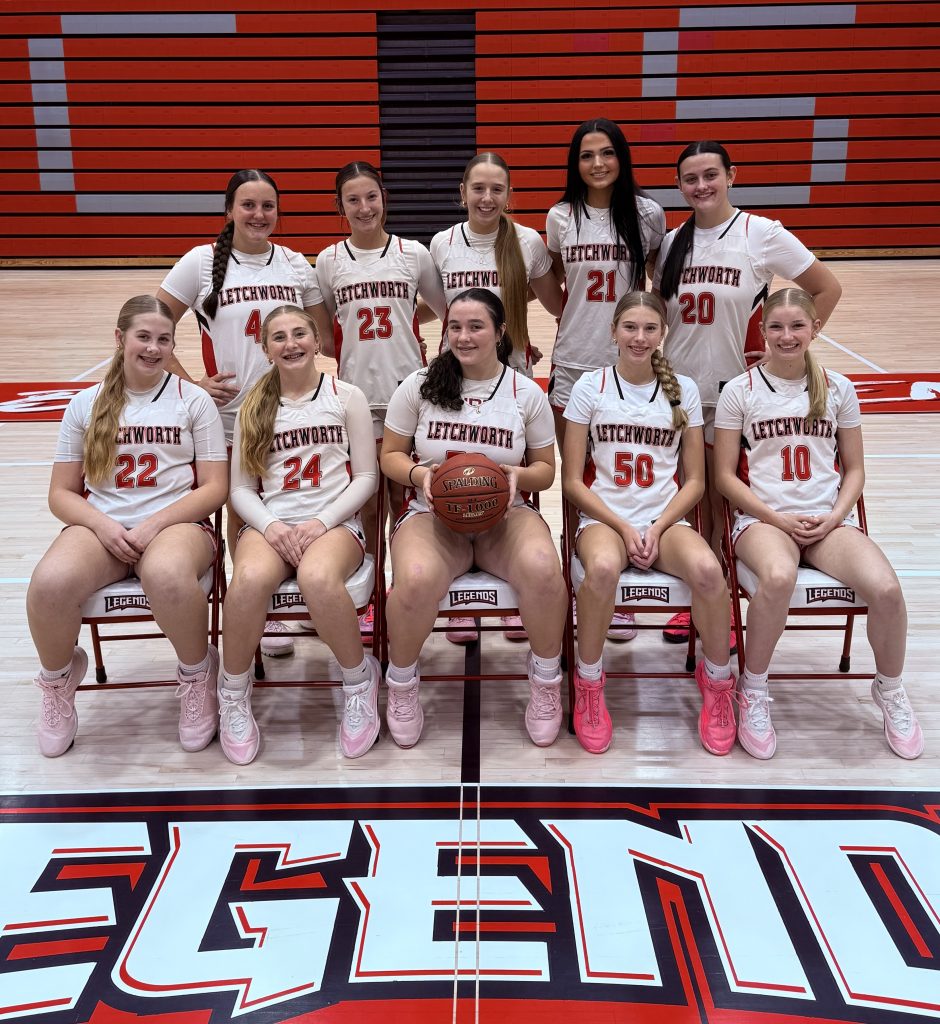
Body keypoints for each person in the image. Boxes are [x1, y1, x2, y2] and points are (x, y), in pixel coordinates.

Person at [713, 287, 923, 760]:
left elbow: (856, 470)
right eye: (776, 326)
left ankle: (889, 688)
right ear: (762, 331)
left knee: (887, 590)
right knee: (778, 577)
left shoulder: (839, 388)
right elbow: (723, 477)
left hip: (827, 521)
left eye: (797, 326)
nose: (786, 336)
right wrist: (775, 517)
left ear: (815, 328)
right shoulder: (739, 391)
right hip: (764, 521)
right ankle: (754, 689)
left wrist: (833, 517)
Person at [654, 141, 842, 643]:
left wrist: (786, 348)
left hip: (734, 393)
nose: (701, 186)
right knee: (689, 501)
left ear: (731, 175)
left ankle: (721, 605)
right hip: (677, 392)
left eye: (710, 175)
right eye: (690, 178)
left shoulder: (761, 233)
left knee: (723, 504)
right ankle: (699, 593)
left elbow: (827, 288)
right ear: (679, 185)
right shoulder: (671, 244)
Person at [26, 295, 228, 757]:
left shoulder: (193, 400)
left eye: (164, 339)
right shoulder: (86, 404)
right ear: (120, 338)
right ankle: (58, 681)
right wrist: (103, 526)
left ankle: (197, 675)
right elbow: (60, 494)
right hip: (104, 528)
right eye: (143, 337)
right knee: (49, 583)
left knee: (166, 574)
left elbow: (215, 488)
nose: (154, 348)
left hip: (177, 524)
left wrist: (154, 524)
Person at [380, 289, 568, 748]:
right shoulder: (419, 385)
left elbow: (546, 471)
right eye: (455, 327)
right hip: (432, 514)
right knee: (415, 578)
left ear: (500, 332)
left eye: (476, 326)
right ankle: (401, 685)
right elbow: (389, 456)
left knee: (545, 569)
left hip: (505, 515)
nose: (463, 337)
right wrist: (420, 474)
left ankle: (546, 681)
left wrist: (517, 475)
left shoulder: (525, 392)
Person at [157, 169, 331, 657]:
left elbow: (325, 336)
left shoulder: (295, 264)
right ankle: (262, 610)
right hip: (231, 416)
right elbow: (152, 323)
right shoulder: (199, 262)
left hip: (296, 411)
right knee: (244, 511)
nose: (258, 214)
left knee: (302, 500)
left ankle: (309, 595)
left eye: (267, 206)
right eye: (248, 205)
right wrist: (188, 385)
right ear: (229, 210)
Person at [562, 292, 736, 756]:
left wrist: (657, 527)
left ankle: (718, 684)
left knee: (709, 571)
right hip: (605, 518)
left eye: (650, 329)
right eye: (630, 327)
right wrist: (623, 527)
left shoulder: (684, 389)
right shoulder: (590, 387)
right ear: (613, 331)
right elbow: (572, 481)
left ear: (664, 333)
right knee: (602, 569)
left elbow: (695, 481)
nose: (639, 338)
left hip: (665, 519)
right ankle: (589, 682)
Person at [220, 306, 379, 764]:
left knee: (317, 578)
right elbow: (240, 490)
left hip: (333, 523)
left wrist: (321, 522)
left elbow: (366, 478)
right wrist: (272, 526)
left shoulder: (346, 396)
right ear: (265, 348)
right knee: (247, 581)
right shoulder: (253, 405)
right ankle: (232, 694)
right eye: (279, 337)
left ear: (317, 340)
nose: (291, 344)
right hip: (271, 524)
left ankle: (358, 683)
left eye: (299, 334)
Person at [430, 151, 564, 644]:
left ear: (509, 195)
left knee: (509, 482)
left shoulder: (527, 241)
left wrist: (514, 325)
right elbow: (441, 306)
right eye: (478, 188)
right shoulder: (442, 243)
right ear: (462, 192)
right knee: (458, 472)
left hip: (513, 373)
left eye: (497, 190)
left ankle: (512, 587)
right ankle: (461, 601)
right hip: (455, 370)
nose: (487, 198)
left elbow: (555, 301)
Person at [316, 160, 448, 642]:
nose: (364, 207)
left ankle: (404, 588)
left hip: (410, 398)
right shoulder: (328, 260)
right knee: (366, 504)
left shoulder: (413, 254)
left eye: (371, 196)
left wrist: (405, 326)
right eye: (353, 199)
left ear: (384, 199)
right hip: (355, 400)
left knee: (405, 499)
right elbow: (326, 335)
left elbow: (445, 310)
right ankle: (371, 595)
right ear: (340, 207)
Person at [547, 117, 667, 642]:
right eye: (586, 155)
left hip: (630, 364)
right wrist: (575, 318)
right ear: (575, 164)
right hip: (574, 363)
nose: (597, 164)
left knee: (619, 473)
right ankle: (578, 585)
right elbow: (554, 285)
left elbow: (658, 286)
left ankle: (615, 588)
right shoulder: (560, 217)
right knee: (576, 479)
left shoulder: (647, 215)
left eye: (607, 153)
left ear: (622, 157)